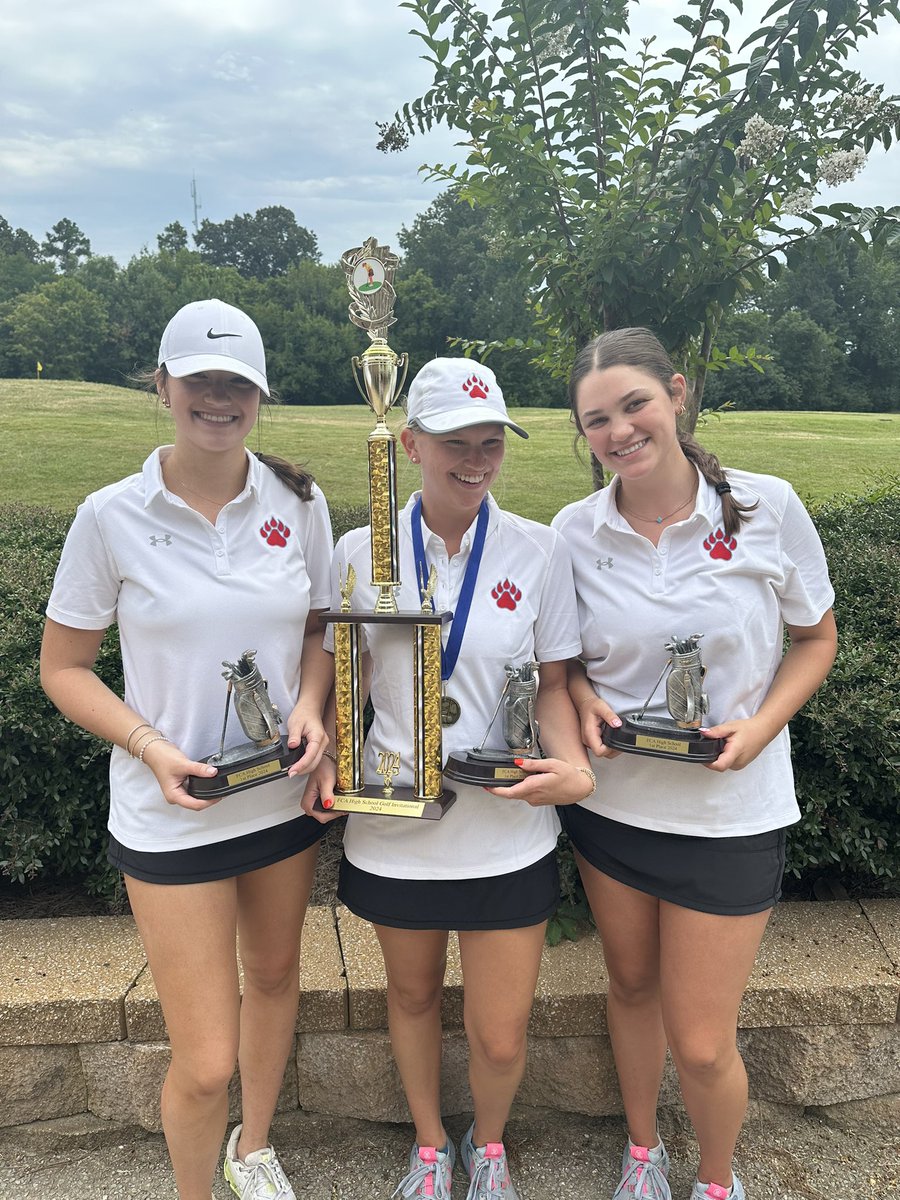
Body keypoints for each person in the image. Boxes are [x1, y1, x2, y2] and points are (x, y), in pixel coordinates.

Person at [40, 298, 335, 1200]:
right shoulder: (111, 515)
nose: (218, 397)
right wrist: (149, 746)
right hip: (171, 817)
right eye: (199, 380)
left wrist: (316, 714)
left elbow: (319, 630)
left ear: (260, 395)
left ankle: (253, 1147)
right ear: (162, 385)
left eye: (237, 383)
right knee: (205, 1060)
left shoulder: (298, 499)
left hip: (279, 802)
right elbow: (65, 668)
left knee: (278, 977)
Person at [551, 328, 837, 1200]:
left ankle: (717, 1180)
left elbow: (815, 638)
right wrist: (583, 703)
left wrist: (761, 727)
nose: (619, 430)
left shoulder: (766, 505)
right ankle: (644, 1152)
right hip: (615, 810)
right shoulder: (573, 530)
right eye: (596, 419)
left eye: (634, 403)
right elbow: (559, 668)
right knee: (630, 988)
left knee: (706, 1039)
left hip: (729, 814)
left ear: (677, 393)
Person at [302, 358, 596, 1200]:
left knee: (500, 1037)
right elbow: (337, 670)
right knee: (413, 996)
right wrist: (323, 744)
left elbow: (551, 681)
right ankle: (431, 1147)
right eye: (455, 443)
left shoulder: (539, 549)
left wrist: (571, 763)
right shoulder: (363, 550)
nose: (475, 460)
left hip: (507, 829)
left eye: (491, 444)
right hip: (396, 829)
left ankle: (490, 1147)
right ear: (409, 443)